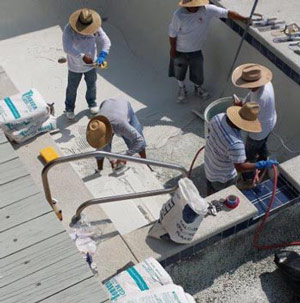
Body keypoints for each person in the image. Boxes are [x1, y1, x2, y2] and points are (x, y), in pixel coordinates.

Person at [168, 0, 250, 102]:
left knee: (198, 72)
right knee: (179, 71)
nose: (195, 7)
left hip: (196, 49)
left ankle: (198, 88)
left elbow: (227, 13)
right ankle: (182, 88)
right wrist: (172, 48)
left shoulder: (207, 10)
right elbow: (172, 33)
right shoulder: (178, 15)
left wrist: (243, 19)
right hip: (180, 49)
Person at [204, 102, 278, 195]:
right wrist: (261, 164)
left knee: (210, 186)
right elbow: (240, 167)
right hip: (222, 176)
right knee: (222, 194)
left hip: (209, 163)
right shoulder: (236, 144)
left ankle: (208, 197)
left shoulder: (218, 117)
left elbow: (210, 132)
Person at [63, 8, 111, 120]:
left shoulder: (95, 27)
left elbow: (106, 41)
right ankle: (69, 108)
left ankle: (92, 102)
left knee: (92, 85)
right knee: (72, 88)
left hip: (92, 65)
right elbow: (67, 48)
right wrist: (82, 56)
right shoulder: (69, 29)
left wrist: (102, 55)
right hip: (75, 66)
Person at [232, 63, 277, 180]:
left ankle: (249, 178)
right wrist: (243, 104)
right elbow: (250, 96)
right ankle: (264, 165)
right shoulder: (266, 83)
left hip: (259, 130)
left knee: (248, 155)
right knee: (262, 146)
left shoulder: (260, 99)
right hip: (270, 122)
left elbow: (248, 120)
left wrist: (238, 109)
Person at [86, 98, 147, 171]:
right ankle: (99, 169)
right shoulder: (96, 125)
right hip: (106, 104)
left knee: (135, 139)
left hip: (124, 105)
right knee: (102, 146)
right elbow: (99, 149)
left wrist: (126, 156)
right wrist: (112, 159)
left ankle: (146, 164)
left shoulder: (121, 125)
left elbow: (140, 140)